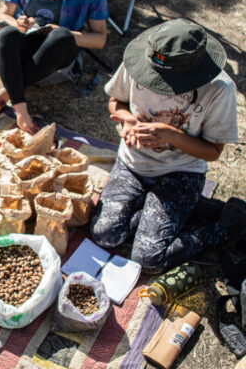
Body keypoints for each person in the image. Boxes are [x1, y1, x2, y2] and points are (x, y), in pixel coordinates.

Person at [90, 19, 246, 274]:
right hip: (133, 164)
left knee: (149, 258)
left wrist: (172, 136)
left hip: (181, 172)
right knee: (105, 235)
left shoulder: (219, 88)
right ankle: (187, 207)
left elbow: (213, 152)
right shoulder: (138, 60)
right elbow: (116, 101)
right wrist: (128, 121)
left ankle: (227, 224)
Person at [0, 0, 108, 134]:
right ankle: (22, 112)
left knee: (61, 35)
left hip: (56, 54)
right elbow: (4, 15)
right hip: (24, 44)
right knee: (7, 33)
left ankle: (3, 96)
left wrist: (57, 30)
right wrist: (18, 23)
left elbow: (99, 39)